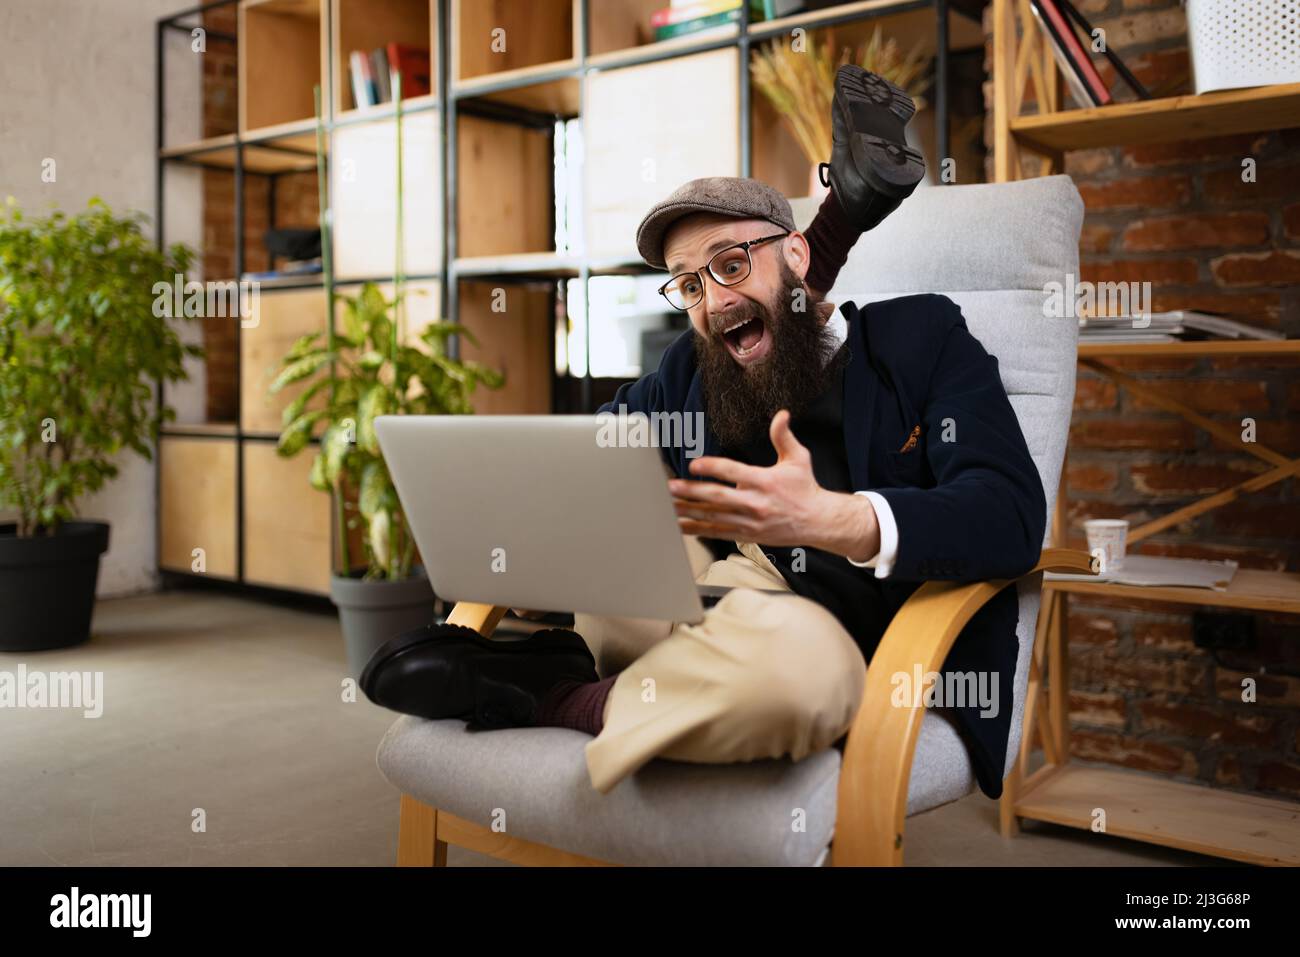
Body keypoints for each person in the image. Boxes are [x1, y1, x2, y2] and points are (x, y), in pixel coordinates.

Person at [362, 67, 1047, 800]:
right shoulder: (692, 367)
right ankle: (652, 685)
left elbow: (1009, 512)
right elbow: (575, 465)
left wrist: (834, 518)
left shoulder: (923, 336)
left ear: (796, 255)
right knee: (619, 491)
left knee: (797, 675)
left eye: (729, 264)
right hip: (698, 604)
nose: (712, 300)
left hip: (836, 635)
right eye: (690, 283)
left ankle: (552, 693)